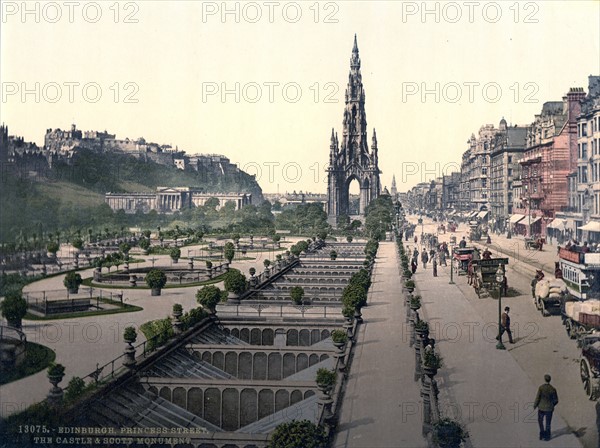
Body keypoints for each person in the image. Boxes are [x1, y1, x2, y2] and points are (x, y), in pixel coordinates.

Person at [534, 374, 559, 441]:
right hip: (549, 409)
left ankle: (542, 434)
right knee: (548, 423)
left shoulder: (541, 388)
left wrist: (535, 405)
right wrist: (552, 405)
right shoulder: (553, 389)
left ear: (544, 379)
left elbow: (537, 398)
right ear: (550, 380)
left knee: (540, 421)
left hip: (541, 408)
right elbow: (556, 400)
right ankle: (547, 436)